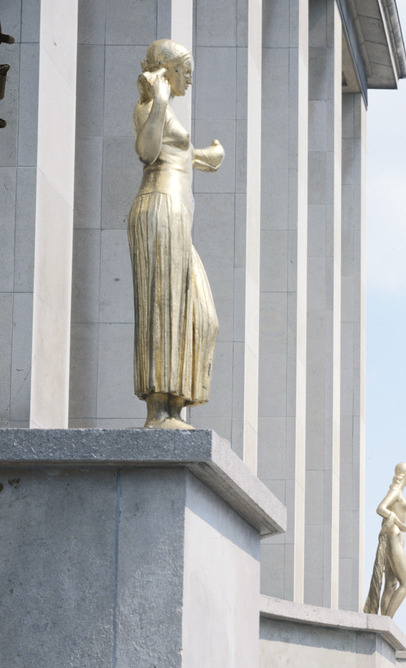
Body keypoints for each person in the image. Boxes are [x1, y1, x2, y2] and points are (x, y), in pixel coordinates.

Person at [129, 39, 224, 428]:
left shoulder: (163, 111)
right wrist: (162, 99)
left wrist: (205, 156)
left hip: (177, 216)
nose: (189, 80)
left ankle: (175, 404)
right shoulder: (150, 105)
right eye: (185, 72)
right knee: (163, 307)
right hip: (158, 210)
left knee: (202, 316)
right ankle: (159, 411)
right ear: (168, 71)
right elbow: (147, 151)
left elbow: (176, 153)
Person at [362, 463, 406, 617]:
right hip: (393, 537)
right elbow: (381, 508)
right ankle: (387, 620)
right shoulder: (396, 491)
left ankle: (384, 619)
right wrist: (398, 522)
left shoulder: (399, 492)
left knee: (391, 584)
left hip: (397, 540)